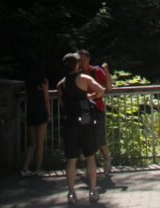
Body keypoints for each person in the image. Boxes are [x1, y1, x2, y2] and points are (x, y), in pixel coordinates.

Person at [57, 52, 105, 205]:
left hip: (70, 123)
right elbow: (101, 90)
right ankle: (92, 191)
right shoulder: (84, 78)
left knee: (71, 159)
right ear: (77, 64)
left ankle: (71, 193)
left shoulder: (61, 84)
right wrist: (89, 97)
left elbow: (62, 105)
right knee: (90, 157)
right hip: (86, 122)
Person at [78, 49, 113, 175]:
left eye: (83, 59)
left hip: (97, 108)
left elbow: (109, 87)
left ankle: (107, 159)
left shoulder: (96, 71)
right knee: (85, 139)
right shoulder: (77, 73)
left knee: (99, 138)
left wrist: (107, 71)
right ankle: (90, 167)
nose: (81, 62)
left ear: (88, 59)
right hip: (82, 110)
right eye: (79, 60)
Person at [21, 64, 50, 176]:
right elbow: (47, 99)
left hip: (30, 112)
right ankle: (38, 169)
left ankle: (25, 168)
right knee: (40, 143)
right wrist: (49, 113)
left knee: (32, 143)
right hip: (41, 112)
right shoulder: (43, 82)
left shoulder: (28, 82)